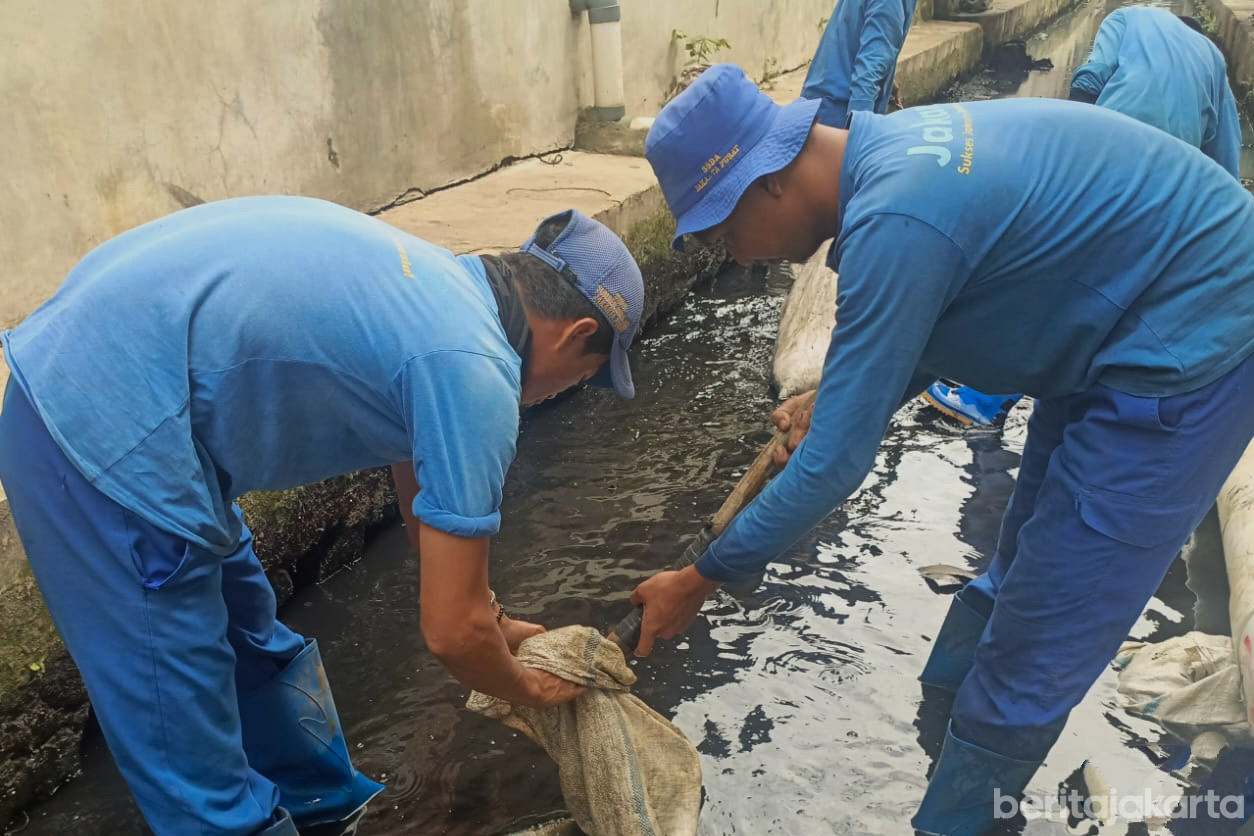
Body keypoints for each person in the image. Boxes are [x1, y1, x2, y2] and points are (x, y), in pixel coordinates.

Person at [634, 63, 1254, 834]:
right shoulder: (889, 168)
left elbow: (833, 468)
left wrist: (702, 575)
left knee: (1045, 634)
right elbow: (928, 327)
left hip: (1189, 343)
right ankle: (939, 726)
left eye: (723, 231)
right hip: (1106, 323)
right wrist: (840, 397)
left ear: (769, 181)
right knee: (1020, 561)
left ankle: (955, 816)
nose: (738, 254)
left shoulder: (897, 219)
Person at [0, 197, 644, 836]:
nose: (568, 391)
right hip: (95, 426)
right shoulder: (478, 376)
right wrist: (526, 689)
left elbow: (426, 506)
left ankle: (327, 814)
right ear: (576, 334)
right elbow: (451, 632)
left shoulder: (449, 289)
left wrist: (496, 622)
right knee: (188, 738)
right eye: (585, 376)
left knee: (250, 639)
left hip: (139, 382)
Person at [923, 6, 1243, 427]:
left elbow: (1090, 78)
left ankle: (985, 395)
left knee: (1056, 272)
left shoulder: (1127, 17)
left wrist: (1070, 149)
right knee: (1115, 285)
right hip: (1167, 180)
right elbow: (1225, 160)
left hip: (1106, 154)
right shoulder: (1212, 59)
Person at [802, 0, 918, 130]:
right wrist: (857, 134)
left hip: (816, 108)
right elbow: (868, 76)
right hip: (838, 117)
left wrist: (888, 83)